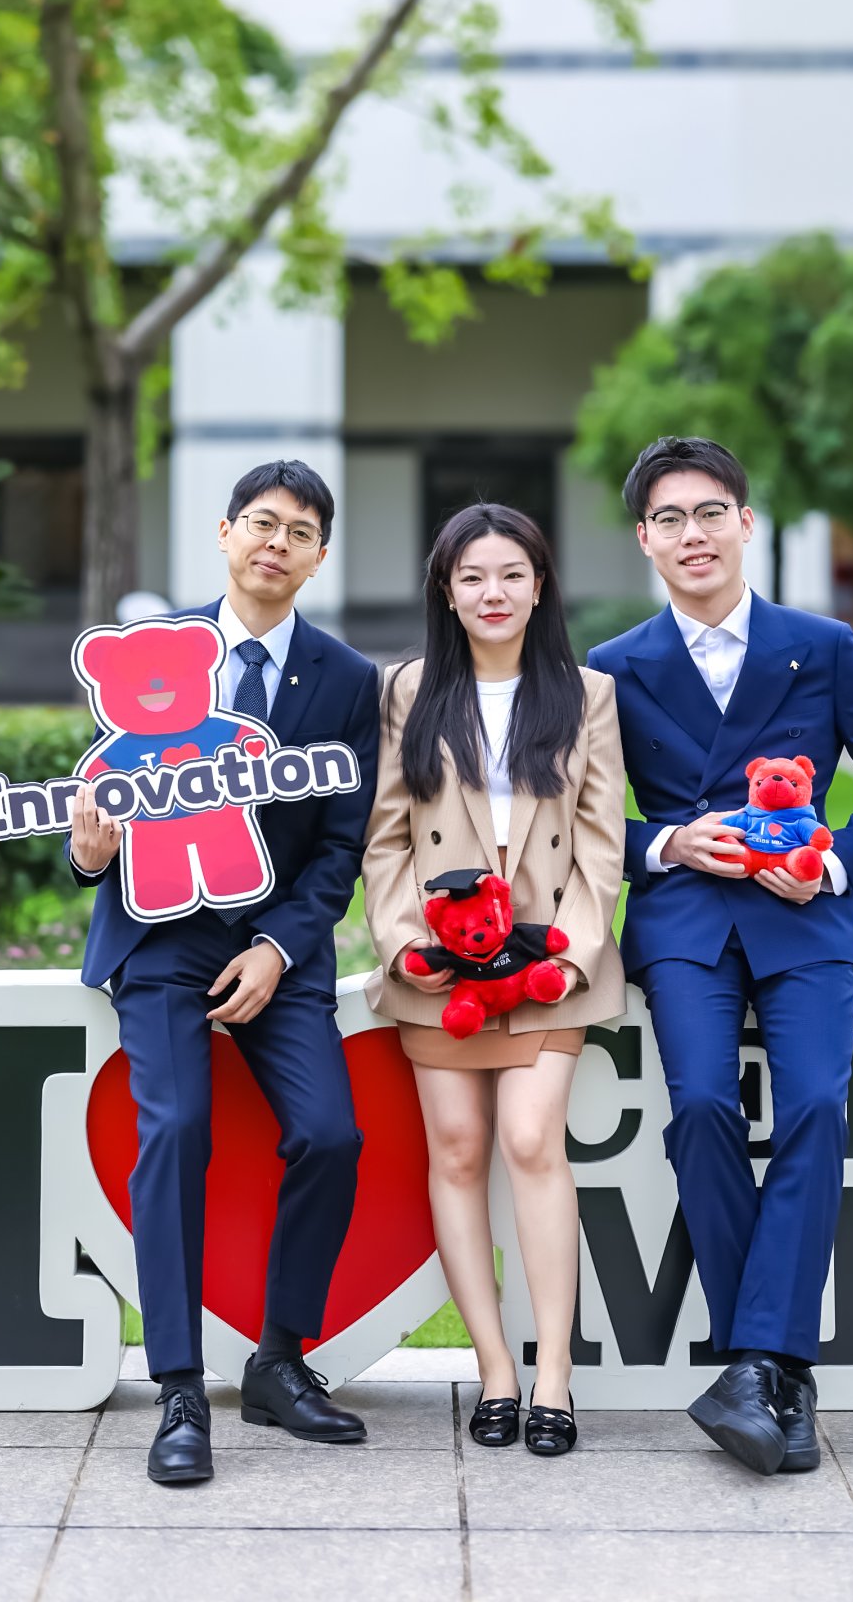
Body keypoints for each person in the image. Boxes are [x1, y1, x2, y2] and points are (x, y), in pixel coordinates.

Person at [588, 436, 853, 1476]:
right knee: (700, 1107)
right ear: (645, 539)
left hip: (805, 920)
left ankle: (756, 1365)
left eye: (710, 513)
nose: (692, 534)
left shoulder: (822, 646)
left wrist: (832, 863)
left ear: (746, 523)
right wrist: (666, 843)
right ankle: (777, 1365)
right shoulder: (612, 666)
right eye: (669, 519)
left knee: (818, 1106)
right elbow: (582, 817)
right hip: (684, 922)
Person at [68, 459, 379, 1485]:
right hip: (160, 943)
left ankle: (280, 1361)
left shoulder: (347, 680)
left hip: (275, 947)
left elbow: (340, 844)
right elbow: (94, 804)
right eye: (261, 523)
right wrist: (90, 853)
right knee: (177, 1131)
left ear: (320, 557)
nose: (276, 544)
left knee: (331, 1134)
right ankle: (178, 1391)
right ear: (225, 533)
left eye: (300, 532)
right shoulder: (152, 655)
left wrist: (279, 946)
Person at [363, 503, 626, 1458]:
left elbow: (601, 844)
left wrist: (572, 956)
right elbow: (387, 838)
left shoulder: (587, 695)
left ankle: (553, 1372)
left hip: (549, 967)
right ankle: (496, 1372)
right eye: (472, 576)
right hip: (442, 967)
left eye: (512, 574)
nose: (493, 593)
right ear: (446, 591)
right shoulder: (408, 690)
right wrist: (408, 946)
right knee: (459, 1149)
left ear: (540, 584)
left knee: (529, 1139)